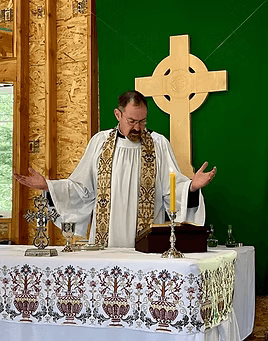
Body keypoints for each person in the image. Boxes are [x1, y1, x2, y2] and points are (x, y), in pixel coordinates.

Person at [14, 91, 216, 248]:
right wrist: (48, 186)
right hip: (104, 245)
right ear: (118, 114)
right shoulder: (100, 143)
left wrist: (191, 187)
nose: (138, 127)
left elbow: (171, 192)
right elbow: (81, 189)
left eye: (143, 121)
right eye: (132, 121)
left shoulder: (158, 144)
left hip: (146, 245)